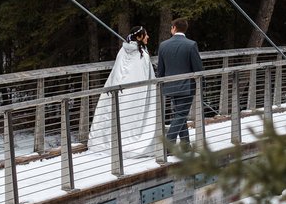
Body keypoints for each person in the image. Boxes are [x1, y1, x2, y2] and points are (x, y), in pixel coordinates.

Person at [87, 26, 158, 157]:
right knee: (130, 117)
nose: (148, 37)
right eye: (145, 34)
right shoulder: (140, 54)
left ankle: (111, 142)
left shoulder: (124, 50)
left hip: (120, 92)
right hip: (134, 95)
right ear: (138, 37)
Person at [156, 17, 204, 148]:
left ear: (174, 28)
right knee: (181, 114)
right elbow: (198, 68)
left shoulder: (163, 45)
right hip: (186, 86)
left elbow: (160, 70)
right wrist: (201, 85)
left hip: (169, 86)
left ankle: (185, 145)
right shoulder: (191, 44)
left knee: (179, 114)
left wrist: (161, 84)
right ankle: (169, 145)